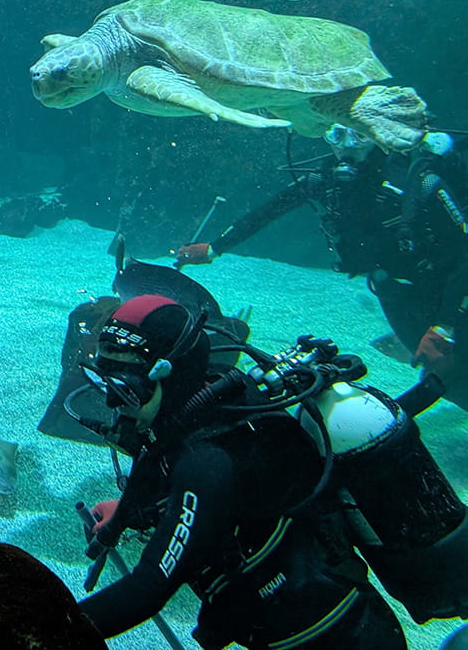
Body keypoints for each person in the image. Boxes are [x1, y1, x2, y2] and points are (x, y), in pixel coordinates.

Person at [75, 294, 406, 648]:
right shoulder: (206, 405)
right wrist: (126, 514)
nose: (112, 403)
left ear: (171, 377)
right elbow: (182, 481)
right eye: (105, 384)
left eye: (127, 391)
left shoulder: (206, 463)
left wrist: (47, 629)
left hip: (336, 641)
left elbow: (148, 588)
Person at [173, 127, 468, 391]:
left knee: (455, 366)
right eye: (337, 135)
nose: (346, 146)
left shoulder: (419, 182)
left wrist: (444, 326)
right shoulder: (323, 179)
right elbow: (269, 210)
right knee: (439, 373)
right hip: (391, 287)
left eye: (359, 136)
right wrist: (214, 248)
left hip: (449, 287)